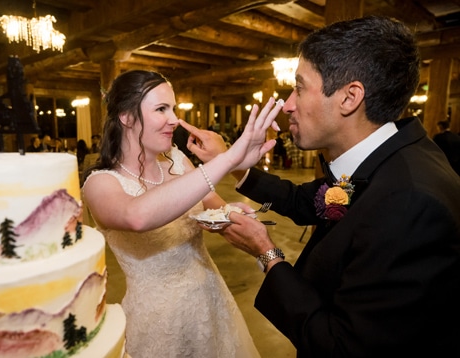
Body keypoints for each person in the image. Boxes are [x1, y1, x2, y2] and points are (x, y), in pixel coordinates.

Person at [185, 16, 460, 356]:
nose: (287, 105)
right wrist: (234, 164)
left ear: (349, 97)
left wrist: (267, 254)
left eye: (299, 87)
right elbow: (310, 202)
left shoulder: (407, 203)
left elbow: (340, 346)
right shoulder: (384, 159)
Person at [81, 69, 281, 357]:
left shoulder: (177, 159)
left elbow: (210, 200)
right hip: (158, 321)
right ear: (126, 116)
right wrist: (227, 159)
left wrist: (230, 211)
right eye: (161, 109)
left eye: (173, 108)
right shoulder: (100, 183)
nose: (174, 120)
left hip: (211, 300)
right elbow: (136, 216)